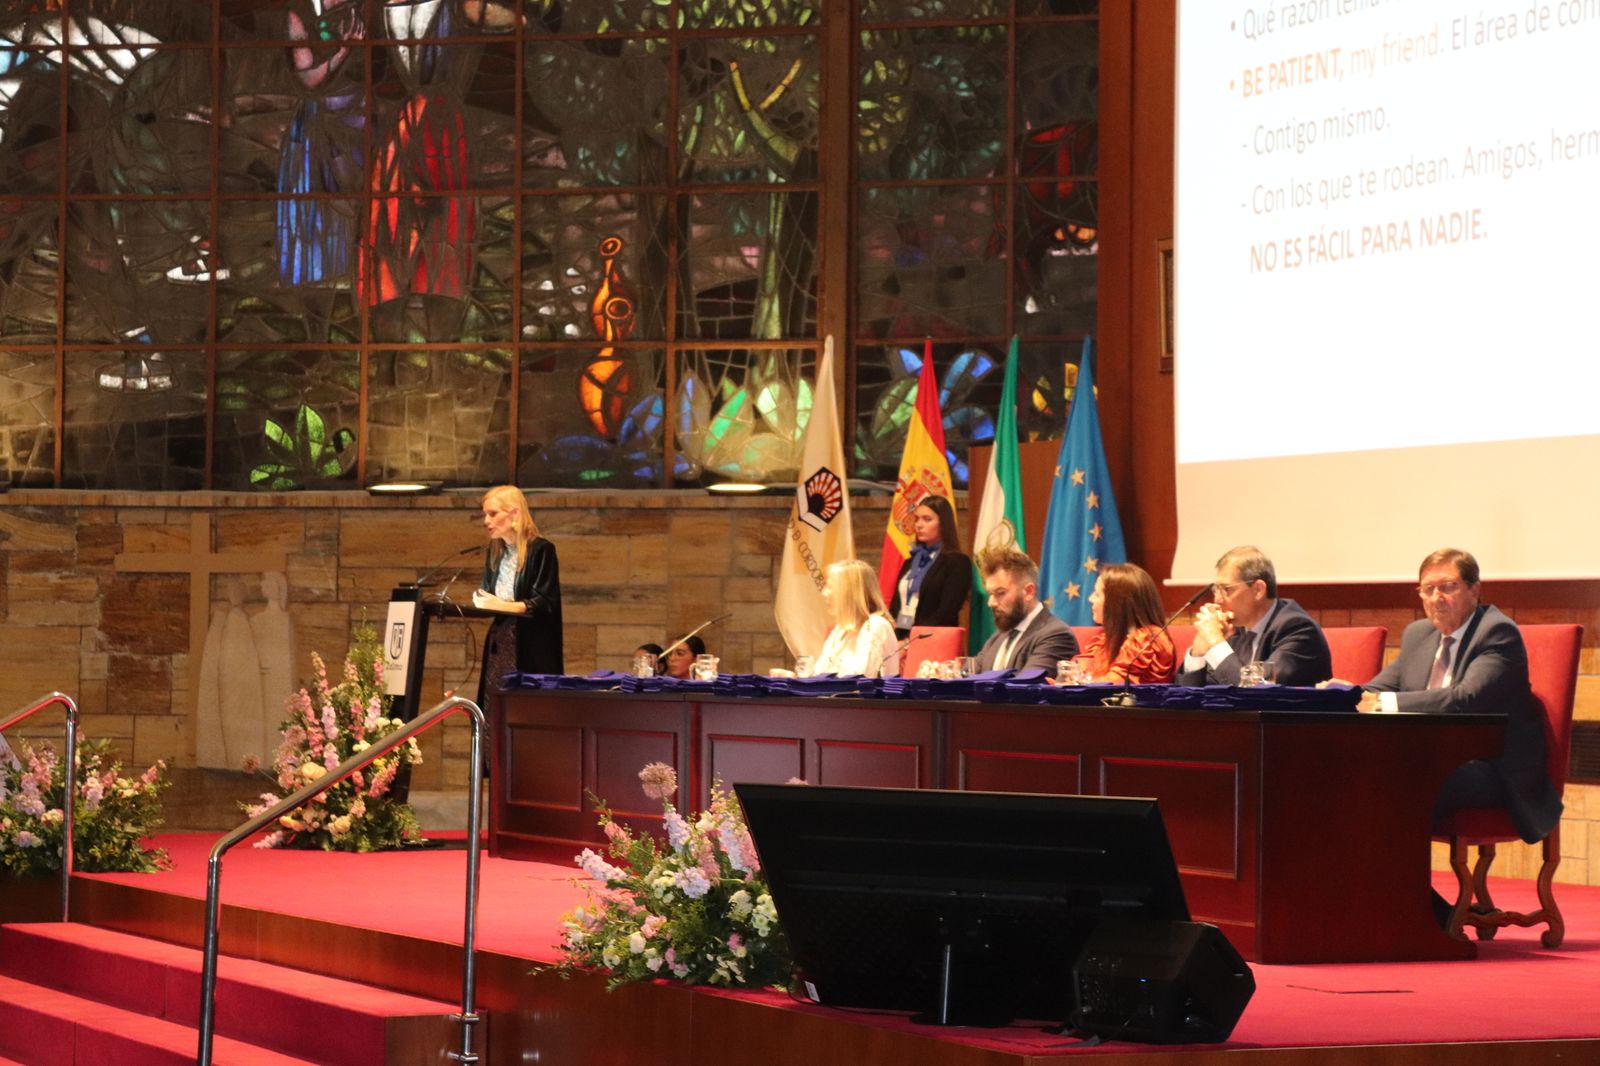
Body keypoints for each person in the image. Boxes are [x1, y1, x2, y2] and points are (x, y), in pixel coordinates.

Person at [1351, 548, 1562, 844]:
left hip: (1493, 768)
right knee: (1362, 772)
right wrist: (1342, 695)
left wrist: (1380, 704)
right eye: (1428, 589)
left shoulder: (1497, 632)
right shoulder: (1418, 634)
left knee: (1407, 779)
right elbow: (1380, 688)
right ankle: (1378, 881)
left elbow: (1463, 700)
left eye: (1448, 587)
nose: (1437, 598)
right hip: (1435, 756)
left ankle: (1400, 885)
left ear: (1474, 590)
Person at [1177, 545, 1330, 686]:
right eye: (1216, 589)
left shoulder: (1297, 629)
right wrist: (1199, 650)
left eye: (1226, 589)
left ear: (1258, 590)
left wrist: (1215, 642)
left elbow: (1258, 694)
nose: (1217, 600)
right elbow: (1184, 701)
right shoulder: (1236, 630)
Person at [474, 485, 563, 709]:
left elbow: (544, 603)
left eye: (493, 514)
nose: (486, 521)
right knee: (493, 707)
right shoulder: (495, 554)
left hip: (531, 645)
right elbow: (489, 596)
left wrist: (501, 605)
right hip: (501, 639)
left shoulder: (541, 550)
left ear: (514, 514)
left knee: (525, 710)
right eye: (485, 514)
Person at [974, 547, 1079, 673]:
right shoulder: (998, 637)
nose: (991, 603)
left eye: (1000, 593)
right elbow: (967, 677)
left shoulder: (1056, 635)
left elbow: (1027, 688)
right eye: (990, 593)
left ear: (1029, 591)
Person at [1067, 563, 1176, 684]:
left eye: (1097, 594)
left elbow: (1115, 684)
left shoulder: (1147, 638)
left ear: (1117, 603)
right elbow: (1079, 671)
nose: (1090, 599)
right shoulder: (1104, 639)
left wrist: (1076, 684)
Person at [887, 496, 970, 638]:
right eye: (917, 519)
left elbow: (946, 612)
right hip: (901, 640)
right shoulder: (910, 562)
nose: (919, 525)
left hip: (935, 642)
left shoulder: (957, 562)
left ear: (943, 524)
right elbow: (897, 606)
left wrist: (910, 642)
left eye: (927, 519)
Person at [813, 560, 900, 677]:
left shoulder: (876, 625)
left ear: (850, 592)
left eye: (830, 587)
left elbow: (862, 681)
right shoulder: (841, 630)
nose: (824, 593)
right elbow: (817, 675)